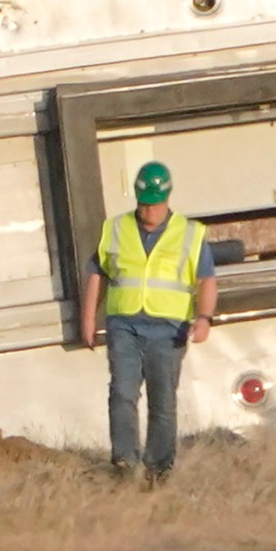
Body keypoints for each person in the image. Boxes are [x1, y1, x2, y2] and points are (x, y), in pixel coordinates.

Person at [80, 161, 217, 481]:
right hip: (124, 323)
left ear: (167, 198)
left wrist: (204, 318)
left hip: (168, 328)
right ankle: (125, 461)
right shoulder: (115, 228)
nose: (147, 210)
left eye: (153, 204)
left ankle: (158, 467)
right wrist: (89, 318)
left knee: (162, 398)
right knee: (122, 391)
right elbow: (97, 273)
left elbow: (206, 280)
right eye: (143, 203)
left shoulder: (190, 234)